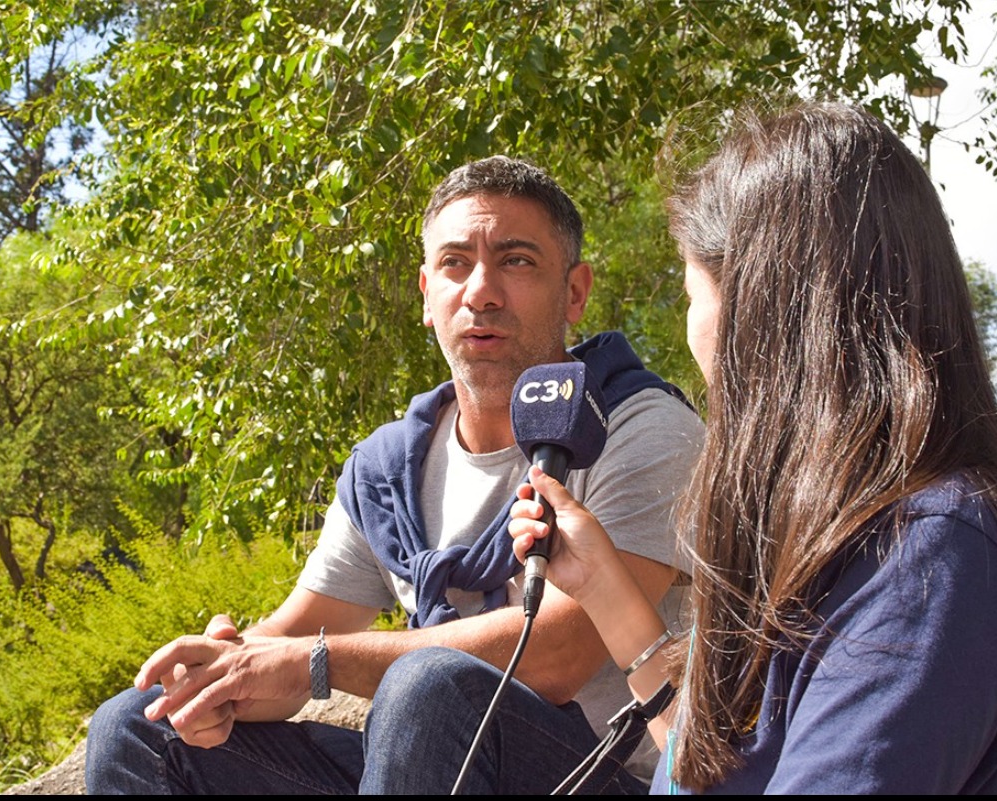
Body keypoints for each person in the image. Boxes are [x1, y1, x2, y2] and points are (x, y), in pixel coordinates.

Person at [83, 155, 705, 793]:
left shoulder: (638, 428)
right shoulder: (389, 470)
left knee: (431, 687)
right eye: (455, 263)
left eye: (517, 261)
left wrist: (313, 663)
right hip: (424, 763)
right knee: (142, 727)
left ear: (574, 291)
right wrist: (224, 675)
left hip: (607, 775)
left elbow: (558, 656)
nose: (481, 290)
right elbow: (296, 632)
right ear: (427, 295)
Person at [504, 102, 997, 793]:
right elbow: (710, 774)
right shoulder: (834, 532)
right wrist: (602, 585)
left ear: (761, 309)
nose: (690, 325)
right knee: (443, 692)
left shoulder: (926, 558)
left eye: (690, 289)